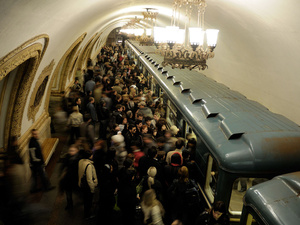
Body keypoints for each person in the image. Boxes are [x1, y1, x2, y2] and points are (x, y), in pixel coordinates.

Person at [59, 145, 81, 210]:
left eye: (73, 151)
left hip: (75, 178)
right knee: (68, 193)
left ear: (77, 151)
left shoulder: (79, 159)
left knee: (77, 191)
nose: (71, 152)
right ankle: (69, 205)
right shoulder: (68, 157)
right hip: (68, 179)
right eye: (70, 150)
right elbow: (63, 165)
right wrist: (61, 173)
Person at [78, 149, 98, 219]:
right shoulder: (89, 165)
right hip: (87, 186)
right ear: (89, 156)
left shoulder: (80, 161)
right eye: (91, 155)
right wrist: (92, 189)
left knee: (85, 200)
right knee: (88, 202)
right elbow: (89, 179)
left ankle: (86, 213)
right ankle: (87, 215)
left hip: (82, 184)